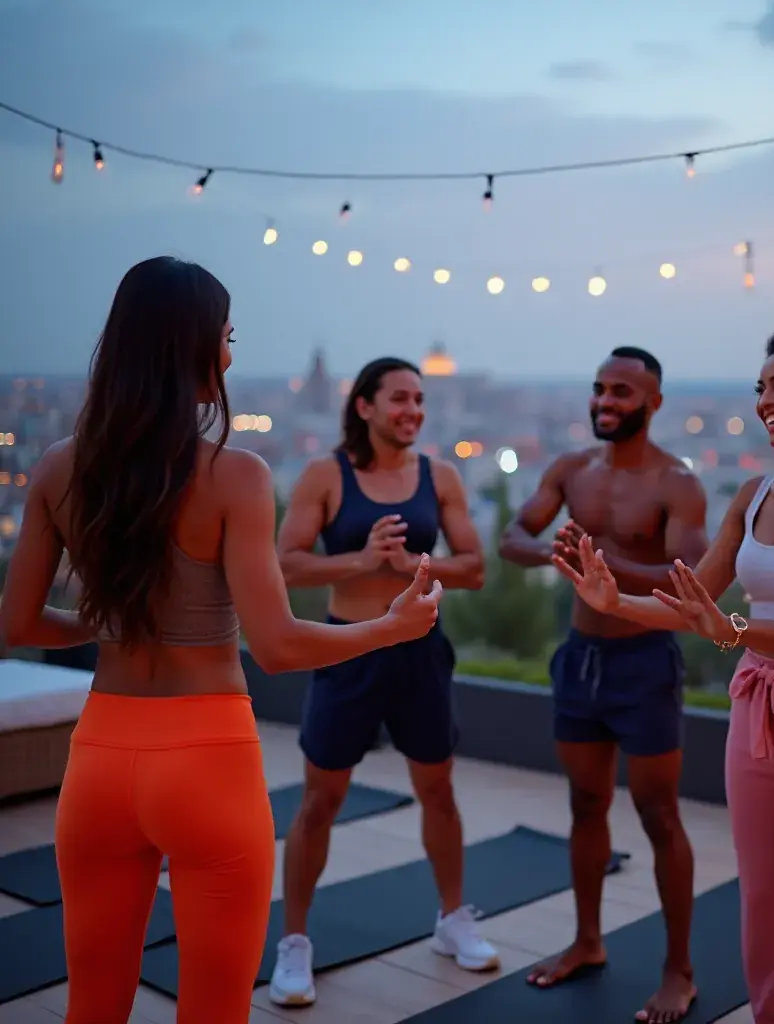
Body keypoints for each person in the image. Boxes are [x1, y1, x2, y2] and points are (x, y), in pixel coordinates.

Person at [0, 258, 443, 1024]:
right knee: (213, 1009)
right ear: (195, 344)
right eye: (227, 336)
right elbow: (275, 647)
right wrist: (390, 627)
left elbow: (18, 625)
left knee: (92, 1005)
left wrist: (105, 627)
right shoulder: (235, 475)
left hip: (100, 759)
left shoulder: (56, 469)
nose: (231, 354)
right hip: (208, 762)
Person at [554, 322, 774, 1024]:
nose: (766, 400)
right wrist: (613, 599)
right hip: (753, 711)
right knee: (762, 902)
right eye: (761, 389)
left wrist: (738, 630)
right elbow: (696, 600)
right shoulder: (752, 494)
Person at [270, 356, 499, 1006]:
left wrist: (411, 564)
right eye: (400, 398)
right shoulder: (326, 475)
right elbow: (286, 565)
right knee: (320, 802)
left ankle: (453, 920)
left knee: (439, 791)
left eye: (420, 401)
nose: (413, 411)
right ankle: (294, 944)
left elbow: (475, 568)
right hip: (347, 649)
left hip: (420, 654)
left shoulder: (441, 475)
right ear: (365, 406)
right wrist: (363, 561)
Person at [499, 346, 708, 1023]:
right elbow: (512, 535)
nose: (605, 402)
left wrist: (608, 567)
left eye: (621, 392)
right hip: (581, 659)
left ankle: (679, 970)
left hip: (645, 661)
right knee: (585, 804)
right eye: (599, 389)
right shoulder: (570, 470)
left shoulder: (677, 483)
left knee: (658, 815)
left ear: (653, 403)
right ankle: (588, 942)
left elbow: (693, 580)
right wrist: (555, 554)